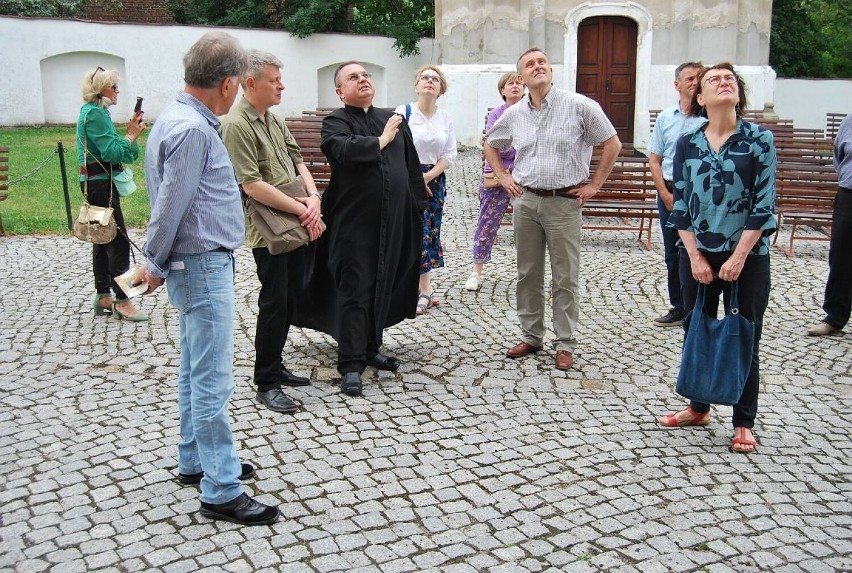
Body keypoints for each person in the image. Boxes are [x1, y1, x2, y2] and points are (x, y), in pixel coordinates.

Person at [139, 32, 278, 525]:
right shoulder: (195, 129)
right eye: (238, 85)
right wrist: (152, 264)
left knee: (193, 369)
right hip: (201, 264)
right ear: (225, 84)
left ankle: (194, 459)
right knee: (212, 378)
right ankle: (221, 487)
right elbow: (170, 206)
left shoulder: (177, 119)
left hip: (199, 262)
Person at [657, 63, 776, 455]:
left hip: (748, 256)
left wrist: (739, 257)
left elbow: (763, 207)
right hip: (698, 254)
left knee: (745, 335)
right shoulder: (689, 142)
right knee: (697, 329)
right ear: (701, 98)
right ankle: (698, 407)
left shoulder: (759, 139)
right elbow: (682, 207)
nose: (723, 82)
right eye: (713, 80)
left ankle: (743, 421)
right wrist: (694, 256)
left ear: (738, 93)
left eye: (729, 79)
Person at [484, 48, 621, 370]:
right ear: (522, 77)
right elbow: (491, 143)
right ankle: (532, 336)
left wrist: (595, 185)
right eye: (530, 65)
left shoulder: (580, 106)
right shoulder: (515, 113)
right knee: (527, 274)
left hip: (564, 202)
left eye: (542, 62)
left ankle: (565, 342)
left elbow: (611, 142)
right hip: (527, 201)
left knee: (565, 277)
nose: (538, 67)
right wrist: (503, 176)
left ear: (550, 70)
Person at [301, 61, 426, 397]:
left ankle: (371, 347)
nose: (362, 80)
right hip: (353, 223)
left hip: (393, 220)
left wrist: (418, 207)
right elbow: (342, 151)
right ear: (340, 91)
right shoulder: (336, 121)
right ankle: (351, 363)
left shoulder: (392, 118)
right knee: (354, 287)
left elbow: (411, 165)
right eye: (352, 78)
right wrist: (381, 140)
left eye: (366, 75)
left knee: (383, 281)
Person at [221, 50, 324, 414]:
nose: (281, 85)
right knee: (275, 301)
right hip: (270, 229)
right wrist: (304, 209)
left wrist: (312, 198)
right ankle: (266, 380)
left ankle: (276, 364)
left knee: (291, 297)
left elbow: (298, 162)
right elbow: (251, 185)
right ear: (250, 83)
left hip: (296, 216)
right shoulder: (236, 125)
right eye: (274, 79)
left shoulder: (273, 120)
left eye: (281, 79)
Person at [76, 66, 148, 321]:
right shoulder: (94, 114)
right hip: (100, 184)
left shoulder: (97, 112)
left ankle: (103, 294)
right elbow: (112, 152)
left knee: (102, 236)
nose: (117, 91)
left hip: (98, 181)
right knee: (117, 240)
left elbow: (123, 152)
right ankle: (121, 299)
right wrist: (130, 135)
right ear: (100, 90)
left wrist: (132, 136)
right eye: (113, 87)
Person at [394, 66, 457, 315]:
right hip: (407, 176)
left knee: (429, 231)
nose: (429, 81)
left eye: (435, 79)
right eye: (424, 78)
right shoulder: (404, 112)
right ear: (416, 85)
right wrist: (413, 179)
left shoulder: (446, 118)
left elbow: (450, 154)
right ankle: (409, 288)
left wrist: (428, 177)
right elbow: (394, 146)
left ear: (441, 88)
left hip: (434, 179)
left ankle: (425, 290)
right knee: (409, 231)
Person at [648, 62, 706, 327]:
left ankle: (702, 306)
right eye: (690, 78)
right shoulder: (665, 118)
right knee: (673, 252)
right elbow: (655, 159)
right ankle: (679, 306)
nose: (695, 82)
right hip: (671, 190)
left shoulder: (709, 117)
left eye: (699, 78)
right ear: (677, 85)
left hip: (703, 192)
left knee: (704, 248)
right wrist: (664, 193)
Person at [465, 72, 525, 292]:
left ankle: (526, 274)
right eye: (510, 84)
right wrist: (506, 168)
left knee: (528, 228)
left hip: (524, 178)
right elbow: (495, 145)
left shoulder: (531, 112)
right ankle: (475, 272)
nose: (515, 87)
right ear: (502, 90)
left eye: (519, 83)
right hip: (497, 177)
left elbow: (531, 146)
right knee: (486, 224)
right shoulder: (497, 114)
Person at [806, 113, 852, 336]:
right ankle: (835, 317)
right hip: (849, 194)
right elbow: (839, 155)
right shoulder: (850, 120)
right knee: (841, 258)